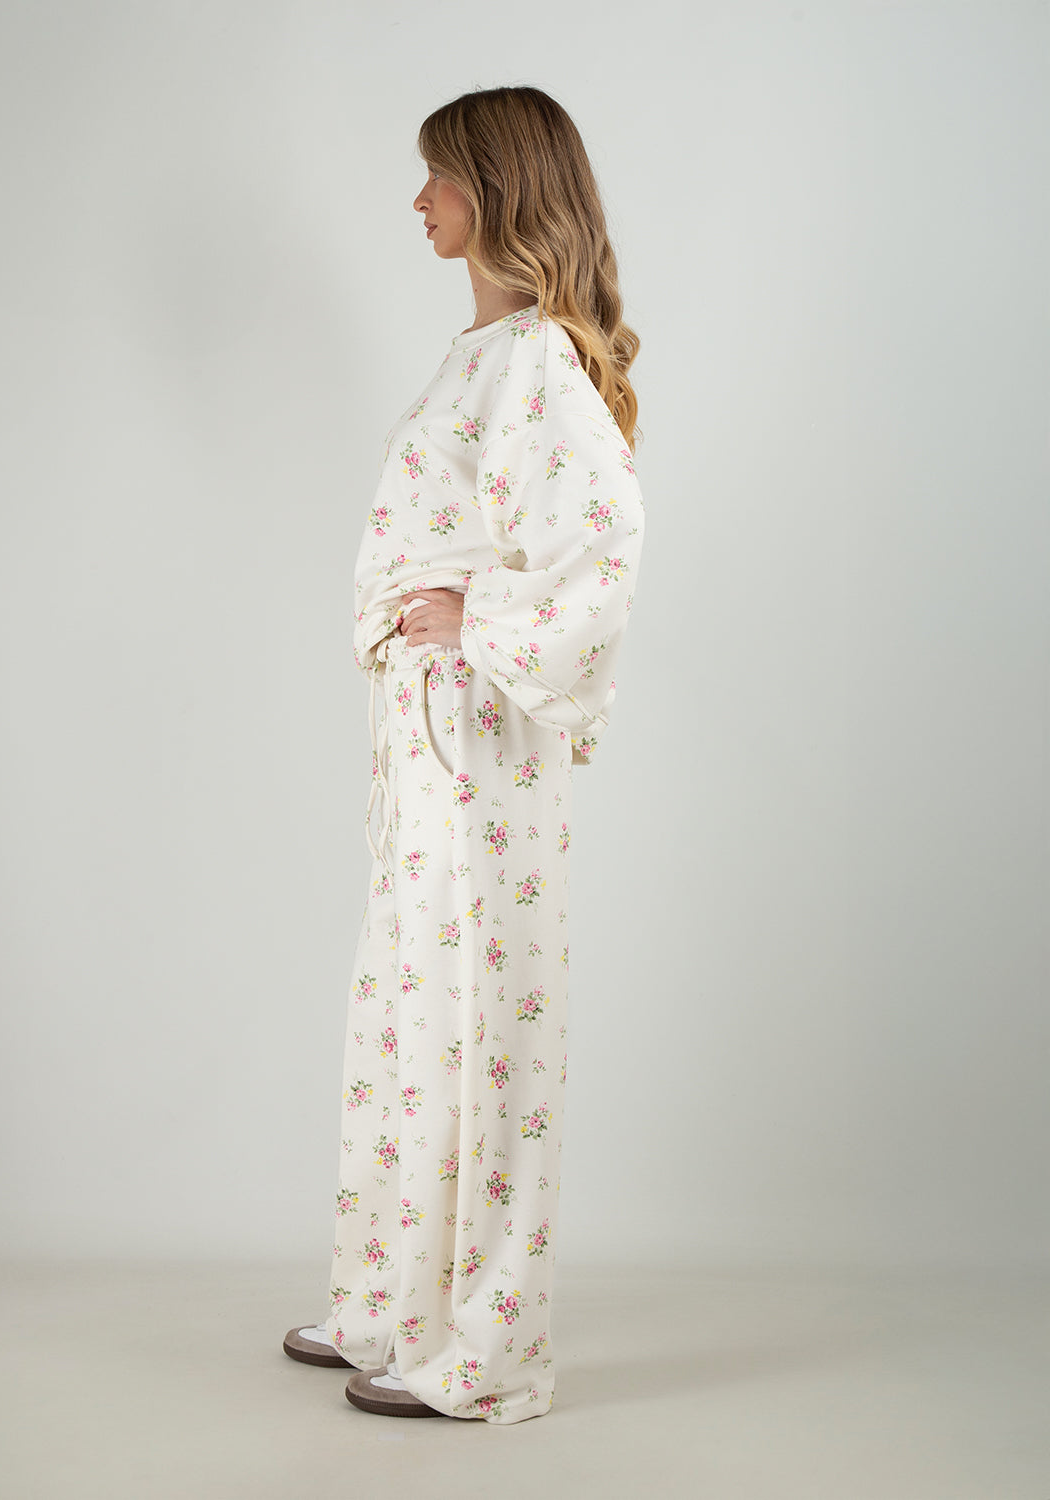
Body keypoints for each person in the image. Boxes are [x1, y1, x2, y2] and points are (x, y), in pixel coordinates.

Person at [282, 84, 646, 1424]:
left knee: (485, 1029)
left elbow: (601, 551)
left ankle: (488, 1354)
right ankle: (391, 1304)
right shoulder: (482, 353)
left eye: (437, 177)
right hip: (430, 744)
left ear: (496, 190)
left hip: (484, 740)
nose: (419, 202)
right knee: (410, 1013)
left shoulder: (542, 358)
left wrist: (476, 618)